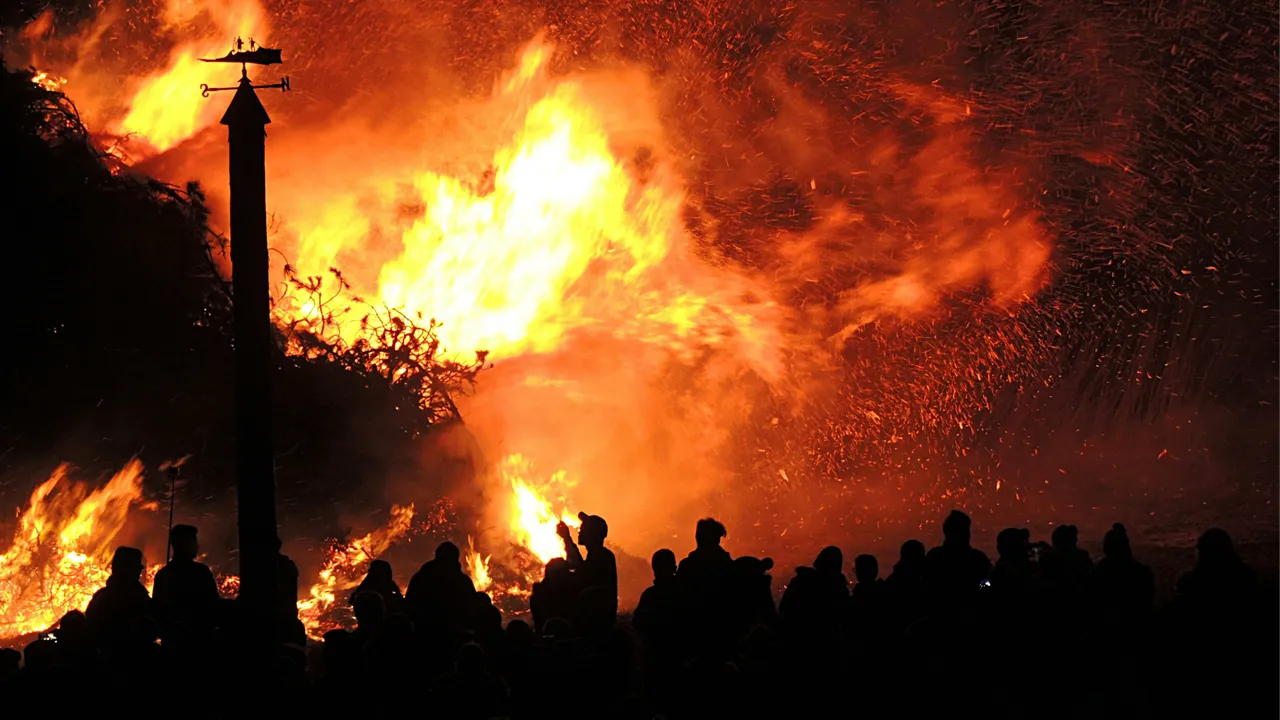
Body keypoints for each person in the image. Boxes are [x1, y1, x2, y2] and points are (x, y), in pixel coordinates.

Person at [152, 524, 219, 637]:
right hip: (199, 635)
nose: (197, 546)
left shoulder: (163, 574)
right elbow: (213, 603)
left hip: (172, 639)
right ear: (185, 544)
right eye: (194, 542)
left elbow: (157, 610)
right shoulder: (201, 572)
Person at [85, 546, 153, 656]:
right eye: (137, 565)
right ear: (126, 567)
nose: (141, 569)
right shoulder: (138, 598)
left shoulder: (100, 597)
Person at [557, 511, 618, 624]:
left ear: (592, 534)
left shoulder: (601, 557)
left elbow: (582, 574)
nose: (580, 531)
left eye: (583, 529)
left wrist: (567, 538)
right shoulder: (599, 555)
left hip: (597, 620)